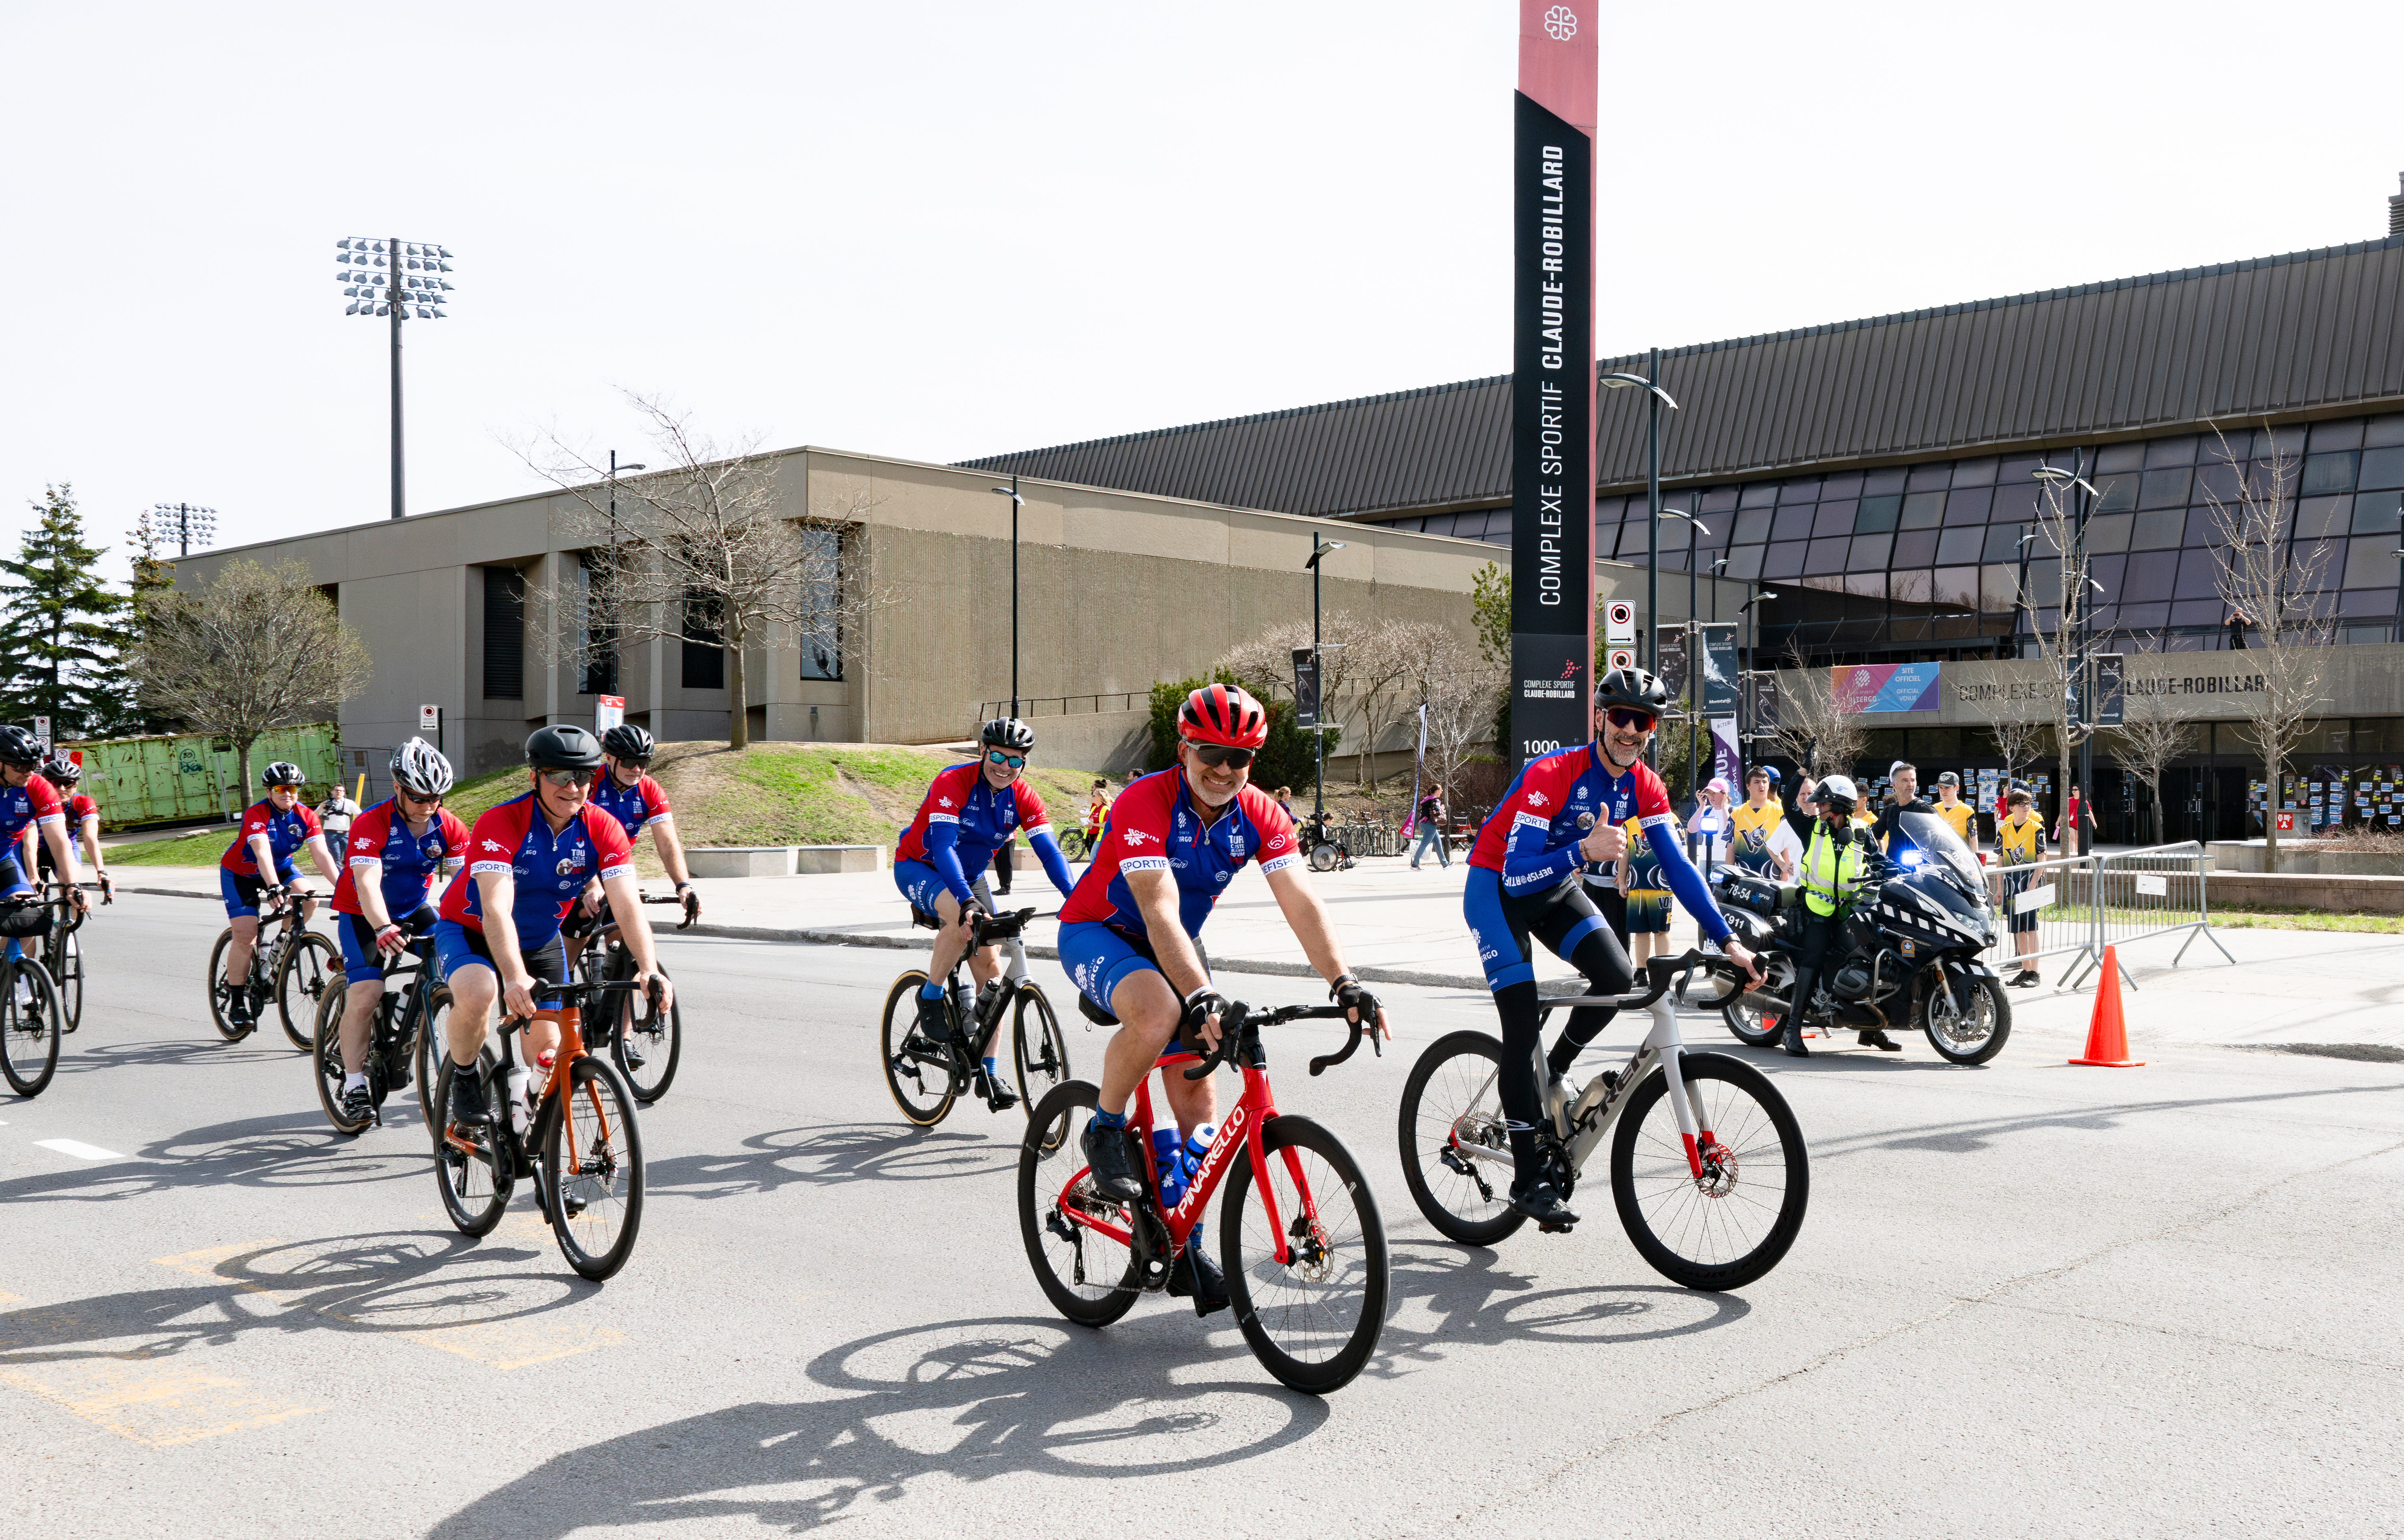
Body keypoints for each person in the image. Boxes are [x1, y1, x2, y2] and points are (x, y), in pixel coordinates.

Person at [1059, 682, 1386, 1311]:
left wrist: (1343, 982)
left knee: (1201, 1105)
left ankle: (1185, 1243)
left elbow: (1301, 903)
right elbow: (1157, 910)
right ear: (1184, 747)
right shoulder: (1143, 800)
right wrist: (1202, 996)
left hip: (1178, 946)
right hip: (1101, 930)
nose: (1224, 768)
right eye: (1211, 751)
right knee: (1161, 1013)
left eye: (1239, 757)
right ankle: (1104, 1127)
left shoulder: (1260, 813)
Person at [1461, 669, 1760, 1231]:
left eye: (1641, 721)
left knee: (1618, 976)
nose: (1629, 729)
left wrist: (1728, 940)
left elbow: (1677, 868)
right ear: (1599, 717)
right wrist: (1582, 849)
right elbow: (1516, 874)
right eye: (1619, 716)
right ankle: (1528, 1180)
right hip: (1495, 889)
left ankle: (1554, 1072)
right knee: (1520, 1023)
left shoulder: (1644, 783)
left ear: (1650, 729)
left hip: (1551, 888)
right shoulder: (1550, 773)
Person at [435, 726, 673, 1132]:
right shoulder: (501, 822)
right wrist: (513, 977)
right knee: (480, 993)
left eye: (582, 777)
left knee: (547, 1057)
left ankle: (522, 1116)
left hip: (540, 939)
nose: (573, 787)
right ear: (535, 778)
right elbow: (495, 909)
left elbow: (626, 902)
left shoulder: (602, 827)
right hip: (471, 930)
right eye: (560, 776)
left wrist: (648, 969)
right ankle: (464, 1073)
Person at [893, 717, 1079, 1110]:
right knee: (962, 924)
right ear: (982, 751)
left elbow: (1049, 852)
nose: (1005, 766)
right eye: (997, 756)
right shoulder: (952, 782)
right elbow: (943, 848)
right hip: (921, 866)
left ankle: (989, 1072)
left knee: (991, 972)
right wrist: (966, 902)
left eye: (1015, 760)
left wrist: (1076, 896)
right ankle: (930, 995)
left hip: (971, 877)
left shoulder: (1025, 797)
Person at [328, 741, 468, 1123]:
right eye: (419, 797)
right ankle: (355, 1085)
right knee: (367, 993)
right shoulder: (370, 823)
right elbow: (368, 883)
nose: (428, 806)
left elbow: (467, 883)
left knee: (460, 973)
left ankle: (410, 1005)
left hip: (413, 908)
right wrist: (382, 926)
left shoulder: (449, 825)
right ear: (398, 787)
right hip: (364, 912)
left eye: (436, 798)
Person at [1780, 773, 1901, 1056]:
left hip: (1850, 909)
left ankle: (1870, 1030)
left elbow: (1879, 860)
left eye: (1822, 803)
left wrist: (1899, 869)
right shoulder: (1810, 827)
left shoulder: (1861, 831)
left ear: (1837, 805)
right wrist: (1801, 773)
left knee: (1871, 959)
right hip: (1816, 909)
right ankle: (1791, 1029)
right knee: (1814, 957)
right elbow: (1788, 804)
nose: (1816, 807)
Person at [217, 761, 343, 1031]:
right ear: (269, 791)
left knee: (310, 899)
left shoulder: (307, 816)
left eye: (294, 789)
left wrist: (344, 888)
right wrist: (273, 886)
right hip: (241, 873)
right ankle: (238, 1000)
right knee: (246, 936)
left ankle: (279, 946)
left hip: (282, 867)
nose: (288, 793)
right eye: (281, 788)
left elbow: (322, 856)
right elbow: (262, 852)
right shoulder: (257, 814)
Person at [583, 725, 701, 929]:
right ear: (609, 757)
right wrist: (592, 886)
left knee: (624, 934)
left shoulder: (651, 790)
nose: (637, 769)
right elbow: (574, 839)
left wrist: (684, 886)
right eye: (629, 761)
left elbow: (668, 843)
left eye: (643, 762)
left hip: (616, 864)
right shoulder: (588, 783)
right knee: (578, 930)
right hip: (578, 860)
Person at [0, 730, 88, 939]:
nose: (29, 773)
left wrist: (72, 885)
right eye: (21, 767)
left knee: (27, 919)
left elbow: (59, 840)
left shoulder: (38, 787)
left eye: (33, 766)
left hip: (4, 859)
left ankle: (20, 969)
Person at [32, 756, 110, 902]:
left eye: (67, 784)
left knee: (71, 885)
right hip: (36, 848)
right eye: (54, 783)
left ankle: (67, 921)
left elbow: (90, 838)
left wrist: (101, 872)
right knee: (28, 890)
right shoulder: (35, 801)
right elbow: (27, 839)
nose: (61, 789)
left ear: (76, 785)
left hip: (67, 847)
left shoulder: (84, 803)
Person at [1996, 785, 2046, 986]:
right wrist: (1999, 888)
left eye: (2029, 804)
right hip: (2012, 885)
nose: (2026, 807)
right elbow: (2000, 860)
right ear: (2011, 807)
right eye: (2021, 804)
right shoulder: (2004, 829)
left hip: (2029, 883)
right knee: (2018, 930)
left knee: (2031, 928)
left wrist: (2033, 885)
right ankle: (2025, 969)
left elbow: (2042, 859)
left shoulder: (2036, 828)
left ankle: (2035, 972)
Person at [1613, 813, 1672, 968]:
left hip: (1661, 887)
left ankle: (1662, 971)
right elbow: (1624, 853)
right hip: (1636, 886)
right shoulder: (1629, 822)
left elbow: (1678, 854)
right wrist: (1622, 882)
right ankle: (1641, 970)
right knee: (1640, 932)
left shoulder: (1671, 819)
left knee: (1661, 931)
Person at [1730, 766, 1795, 881]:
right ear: (1748, 786)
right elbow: (1731, 848)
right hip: (1742, 880)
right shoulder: (1736, 814)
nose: (1762, 785)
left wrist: (1785, 881)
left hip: (1772, 880)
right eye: (1757, 782)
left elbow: (1786, 849)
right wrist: (1729, 878)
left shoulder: (1781, 813)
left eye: (1765, 782)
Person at [1873, 761, 1936, 863]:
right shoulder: (1890, 811)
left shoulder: (1924, 808)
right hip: (1893, 871)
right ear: (1894, 785)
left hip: (1920, 871)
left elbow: (1941, 838)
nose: (1910, 784)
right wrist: (1881, 857)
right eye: (1905, 781)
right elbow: (1874, 835)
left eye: (1913, 780)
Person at [1686, 776, 1732, 874]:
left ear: (1725, 794)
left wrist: (1724, 808)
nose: (1711, 797)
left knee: (1720, 889)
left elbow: (1728, 830)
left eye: (1715, 793)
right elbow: (1691, 829)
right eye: (1709, 793)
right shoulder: (1707, 810)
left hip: (1724, 860)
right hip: (1705, 859)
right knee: (1703, 888)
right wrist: (1702, 806)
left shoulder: (1733, 811)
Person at [1932, 770, 1979, 857]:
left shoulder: (1967, 811)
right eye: (1941, 788)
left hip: (1960, 858)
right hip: (1937, 857)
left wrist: (1974, 859)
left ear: (1957, 788)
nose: (1943, 792)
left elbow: (1973, 839)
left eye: (1947, 788)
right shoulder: (1933, 809)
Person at [1410, 785, 1449, 869]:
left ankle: (1445, 864)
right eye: (1441, 790)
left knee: (1438, 843)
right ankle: (1415, 864)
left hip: (1423, 823)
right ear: (1436, 791)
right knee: (1424, 844)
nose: (1442, 792)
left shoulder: (1427, 799)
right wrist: (1442, 808)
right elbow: (1437, 811)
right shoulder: (1436, 799)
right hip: (1430, 824)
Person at [318, 781, 360, 853]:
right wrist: (321, 808)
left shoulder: (349, 803)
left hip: (345, 834)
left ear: (344, 793)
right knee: (336, 854)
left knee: (347, 854)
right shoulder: (326, 804)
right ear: (332, 792)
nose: (339, 792)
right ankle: (336, 864)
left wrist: (355, 826)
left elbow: (360, 815)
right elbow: (314, 816)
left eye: (341, 791)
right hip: (330, 834)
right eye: (337, 790)